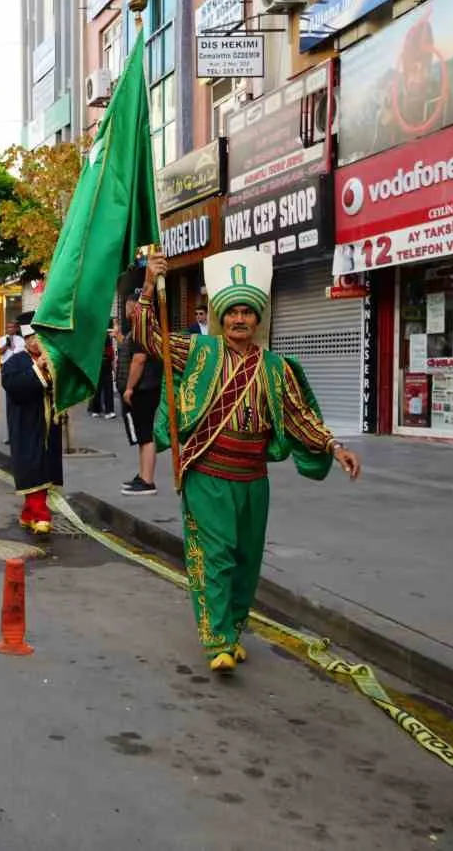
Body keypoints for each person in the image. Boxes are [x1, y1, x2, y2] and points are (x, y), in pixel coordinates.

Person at [142, 250, 361, 675]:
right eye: (232, 313)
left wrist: (335, 447)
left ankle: (233, 631)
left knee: (246, 560)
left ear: (257, 320)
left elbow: (301, 417)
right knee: (217, 556)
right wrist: (150, 284)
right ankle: (217, 640)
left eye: (247, 313)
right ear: (221, 318)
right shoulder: (200, 352)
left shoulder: (276, 368)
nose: (239, 320)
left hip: (252, 478)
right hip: (207, 473)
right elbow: (151, 338)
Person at [0, 311, 64, 534]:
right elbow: (15, 387)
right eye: (37, 339)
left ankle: (29, 513)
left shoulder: (53, 360)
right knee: (32, 467)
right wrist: (38, 368)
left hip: (49, 424)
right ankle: (40, 515)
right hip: (26, 425)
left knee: (46, 468)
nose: (41, 344)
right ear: (27, 340)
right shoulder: (15, 362)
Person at [119, 290, 162, 496]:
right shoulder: (143, 327)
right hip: (146, 387)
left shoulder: (141, 328)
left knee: (145, 434)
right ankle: (143, 475)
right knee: (142, 433)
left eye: (129, 305)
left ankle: (147, 480)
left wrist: (129, 388)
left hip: (143, 388)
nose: (126, 309)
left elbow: (139, 359)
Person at [87, 320, 117, 418]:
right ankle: (99, 410)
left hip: (104, 364)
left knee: (104, 387)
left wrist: (114, 368)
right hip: (99, 364)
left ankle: (105, 410)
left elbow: (110, 352)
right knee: (99, 388)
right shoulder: (94, 336)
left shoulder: (104, 336)